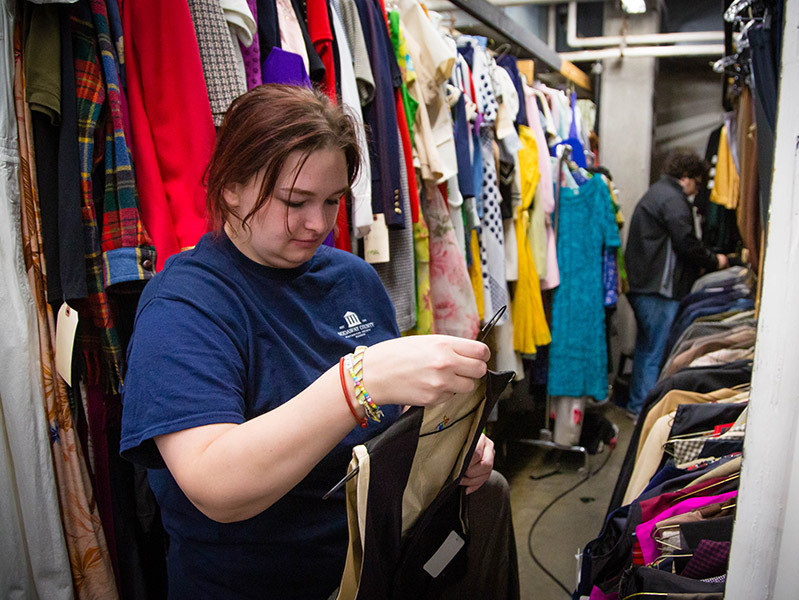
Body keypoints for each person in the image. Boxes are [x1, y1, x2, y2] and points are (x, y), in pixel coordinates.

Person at [119, 85, 512, 599]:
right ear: (231, 187)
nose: (318, 224)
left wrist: (448, 446)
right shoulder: (185, 306)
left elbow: (387, 436)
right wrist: (355, 385)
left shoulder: (353, 279)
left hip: (382, 569)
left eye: (332, 201)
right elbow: (216, 485)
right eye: (295, 201)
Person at [623, 149, 728, 418]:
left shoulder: (659, 193)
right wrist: (715, 261)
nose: (696, 191)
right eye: (697, 183)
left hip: (645, 285)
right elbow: (685, 241)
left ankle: (638, 406)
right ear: (686, 178)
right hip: (658, 289)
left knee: (648, 349)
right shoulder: (673, 199)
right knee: (655, 352)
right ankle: (644, 411)